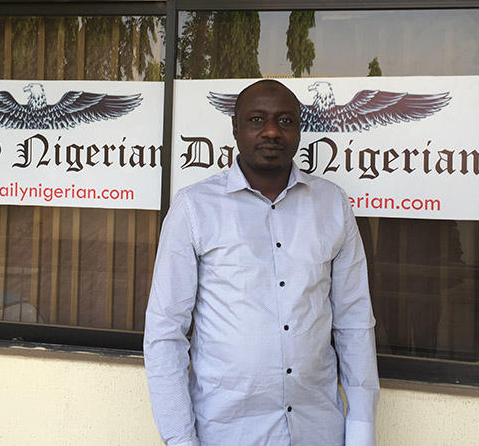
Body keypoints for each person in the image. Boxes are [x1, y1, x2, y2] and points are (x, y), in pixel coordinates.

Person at [144, 79, 379, 446]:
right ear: (236, 128)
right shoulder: (194, 208)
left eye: (285, 121)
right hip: (226, 432)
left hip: (318, 430)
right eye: (257, 119)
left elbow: (354, 321)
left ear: (299, 130)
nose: (271, 131)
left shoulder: (333, 205)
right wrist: (180, 438)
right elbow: (165, 333)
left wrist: (362, 430)